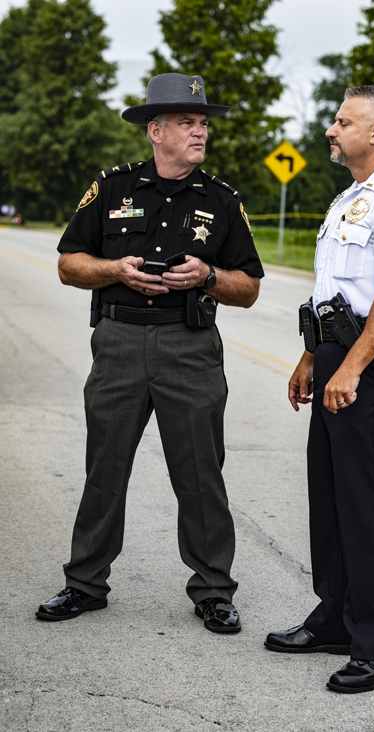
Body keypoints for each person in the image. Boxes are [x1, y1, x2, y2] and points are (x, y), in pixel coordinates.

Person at [36, 73, 264, 633]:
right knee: (104, 468)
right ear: (155, 131)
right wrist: (115, 270)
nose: (199, 132)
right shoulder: (111, 189)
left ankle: (212, 590)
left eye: (203, 123)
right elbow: (69, 264)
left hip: (189, 347)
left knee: (200, 473)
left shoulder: (222, 200)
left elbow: (250, 288)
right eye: (188, 123)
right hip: (117, 343)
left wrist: (207, 276)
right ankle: (85, 584)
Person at [265, 86, 374, 692]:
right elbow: (333, 293)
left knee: (368, 511)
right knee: (332, 502)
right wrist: (313, 357)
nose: (330, 130)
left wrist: (352, 368)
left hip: (373, 364)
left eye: (343, 121)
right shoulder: (349, 200)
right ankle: (336, 618)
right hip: (340, 356)